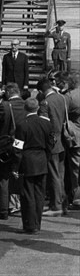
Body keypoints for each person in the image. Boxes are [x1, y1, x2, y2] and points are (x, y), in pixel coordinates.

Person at [12, 98, 53, 234]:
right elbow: (50, 144)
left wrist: (15, 167)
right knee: (39, 194)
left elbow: (17, 148)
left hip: (27, 161)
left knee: (28, 195)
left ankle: (30, 225)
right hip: (41, 160)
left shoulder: (22, 124)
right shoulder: (46, 124)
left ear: (25, 108)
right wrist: (46, 158)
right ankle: (37, 223)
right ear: (37, 108)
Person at [0, 83, 26, 219]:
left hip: (5, 145)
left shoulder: (4, 106)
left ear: (8, 93)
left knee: (3, 179)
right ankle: (17, 205)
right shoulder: (25, 105)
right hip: (20, 144)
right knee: (18, 175)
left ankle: (3, 210)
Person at [37, 78, 67, 216]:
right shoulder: (61, 98)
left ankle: (56, 206)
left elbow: (44, 125)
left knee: (54, 175)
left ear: (41, 91)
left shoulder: (45, 103)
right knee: (60, 174)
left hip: (51, 143)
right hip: (61, 140)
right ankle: (62, 203)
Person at [62, 71, 80, 209]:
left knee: (75, 170)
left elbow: (61, 112)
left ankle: (76, 199)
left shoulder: (69, 96)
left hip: (75, 137)